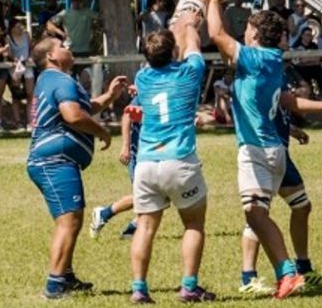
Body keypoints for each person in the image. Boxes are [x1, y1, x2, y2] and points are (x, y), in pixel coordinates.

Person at [205, 0, 305, 299]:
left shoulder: (257, 57)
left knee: (255, 215)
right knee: (257, 213)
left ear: (257, 34)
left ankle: (287, 272)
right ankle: (274, 273)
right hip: (272, 149)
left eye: (248, 28)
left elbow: (215, 34)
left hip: (257, 150)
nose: (244, 32)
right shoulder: (269, 59)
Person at [26, 37, 128, 299]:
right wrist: (102, 132)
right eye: (62, 46)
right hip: (53, 161)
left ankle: (66, 275)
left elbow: (85, 108)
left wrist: (110, 96)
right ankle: (54, 286)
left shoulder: (53, 80)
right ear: (51, 56)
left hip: (55, 161)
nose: (68, 48)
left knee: (71, 219)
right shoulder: (59, 80)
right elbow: (72, 115)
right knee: (69, 220)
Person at [239, 76, 322, 296]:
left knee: (301, 206)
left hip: (279, 152)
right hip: (265, 151)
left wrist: (290, 129)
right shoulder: (264, 67)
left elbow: (273, 109)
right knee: (257, 212)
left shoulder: (276, 68)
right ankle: (248, 278)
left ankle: (304, 269)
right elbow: (289, 102)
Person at [127, 19, 213, 303]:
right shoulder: (190, 72)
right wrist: (189, 24)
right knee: (193, 224)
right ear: (174, 51)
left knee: (145, 227)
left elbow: (162, 55)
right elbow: (194, 45)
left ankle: (139, 289)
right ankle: (189, 287)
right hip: (179, 160)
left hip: (146, 162)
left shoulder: (142, 78)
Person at [90, 101, 141, 241]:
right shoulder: (146, 89)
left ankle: (131, 229)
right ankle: (105, 214)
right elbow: (127, 116)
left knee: (160, 195)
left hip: (157, 153)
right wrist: (125, 146)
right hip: (139, 153)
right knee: (147, 195)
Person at [8, 17, 35, 129]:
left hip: (27, 65)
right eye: (17, 27)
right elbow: (9, 53)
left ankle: (31, 121)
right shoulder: (8, 37)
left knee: (30, 93)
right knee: (16, 94)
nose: (20, 29)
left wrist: (30, 58)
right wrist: (15, 59)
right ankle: (17, 121)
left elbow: (31, 48)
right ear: (12, 28)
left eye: (21, 26)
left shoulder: (26, 35)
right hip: (16, 67)